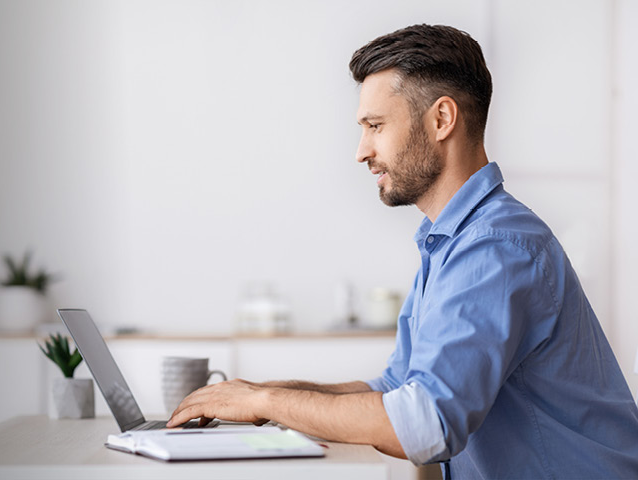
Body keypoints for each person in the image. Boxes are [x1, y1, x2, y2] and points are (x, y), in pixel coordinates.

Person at [166, 24, 638, 478]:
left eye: (375, 125)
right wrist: (263, 394)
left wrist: (265, 404)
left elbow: (425, 424)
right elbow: (397, 388)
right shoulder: (450, 241)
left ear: (441, 119)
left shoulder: (494, 247)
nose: (361, 151)